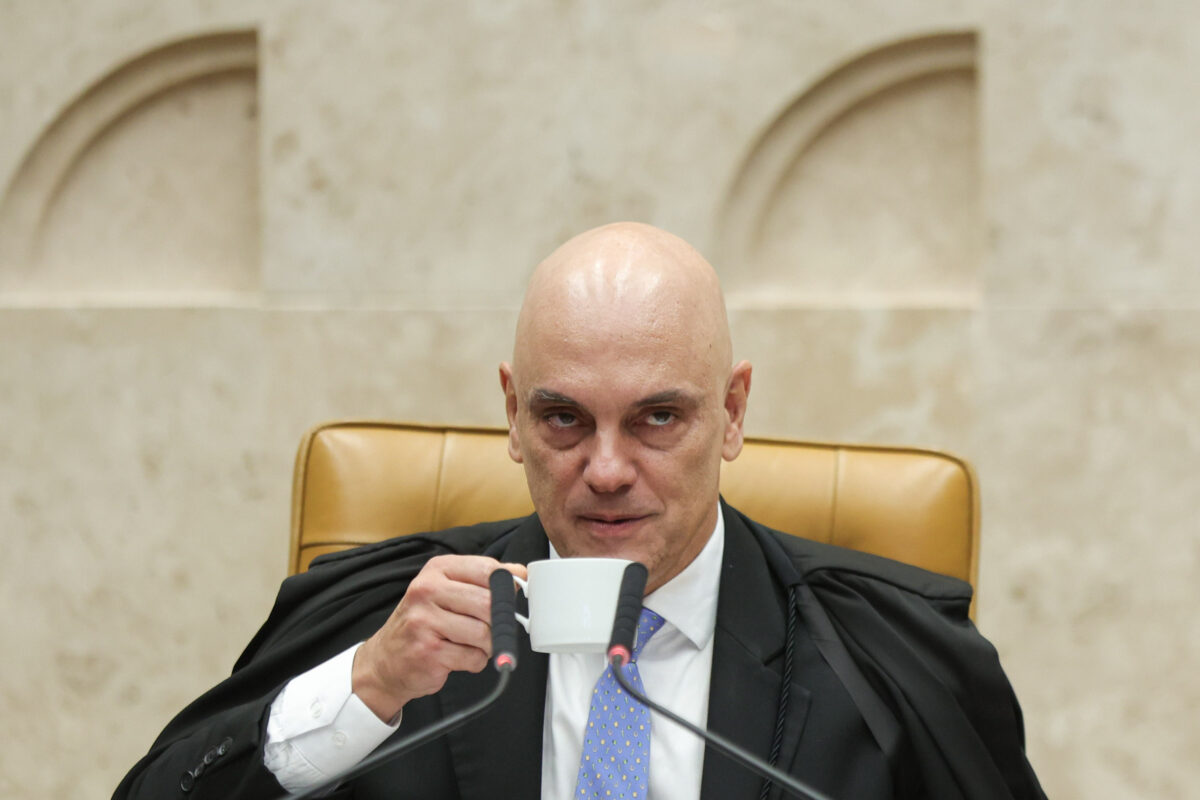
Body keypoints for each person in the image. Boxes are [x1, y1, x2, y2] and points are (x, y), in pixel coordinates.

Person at [114, 222, 1046, 799]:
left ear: (732, 413)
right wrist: (366, 687)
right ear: (512, 414)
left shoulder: (889, 653)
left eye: (657, 418)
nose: (605, 470)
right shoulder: (384, 621)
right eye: (563, 418)